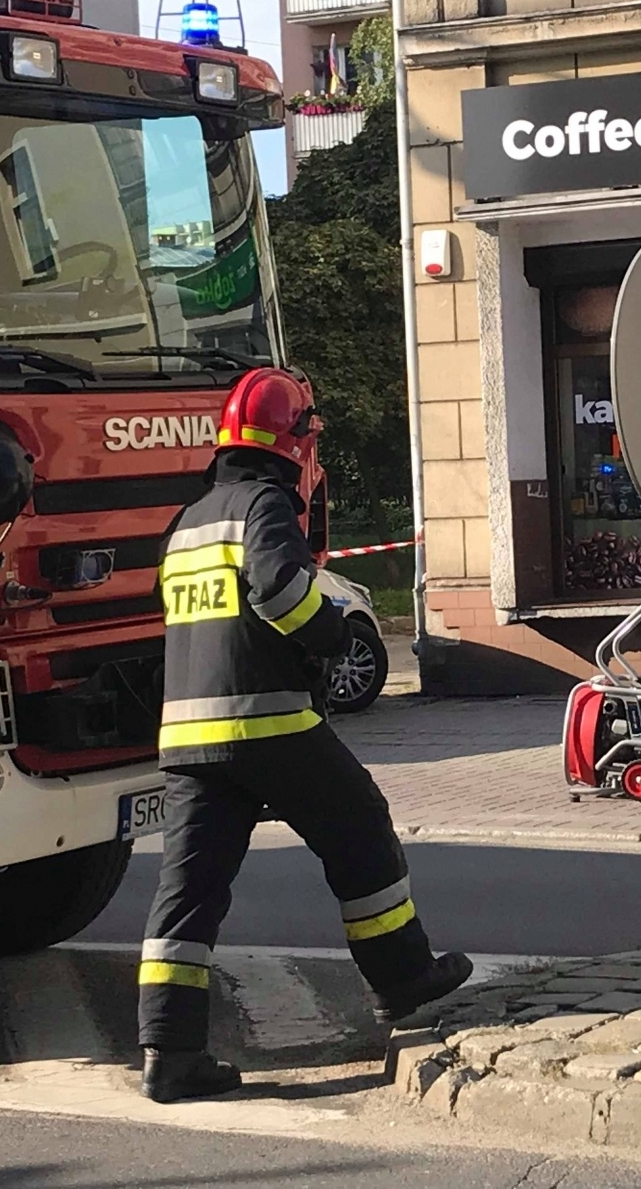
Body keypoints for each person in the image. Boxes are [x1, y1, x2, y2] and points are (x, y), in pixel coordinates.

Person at [137, 369, 470, 1104]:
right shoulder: (264, 506)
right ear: (296, 445)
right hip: (270, 724)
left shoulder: (188, 521)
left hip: (189, 742)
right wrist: (327, 634)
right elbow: (278, 588)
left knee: (187, 892)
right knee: (359, 823)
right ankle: (402, 978)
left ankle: (169, 1051)